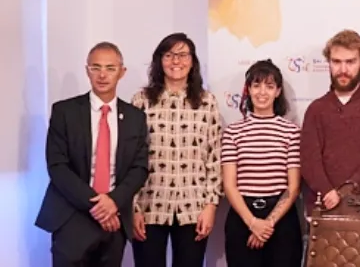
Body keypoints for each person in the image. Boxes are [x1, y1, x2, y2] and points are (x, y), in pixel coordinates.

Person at [35, 42, 149, 267]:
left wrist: (113, 202)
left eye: (110, 68)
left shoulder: (136, 117)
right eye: (96, 68)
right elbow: (57, 166)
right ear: (87, 70)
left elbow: (139, 168)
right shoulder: (64, 111)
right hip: (72, 214)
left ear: (122, 72)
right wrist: (98, 206)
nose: (103, 75)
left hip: (114, 218)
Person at [130, 33, 223, 267]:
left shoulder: (206, 102)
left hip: (193, 206)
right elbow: (129, 158)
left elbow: (214, 156)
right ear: (159, 61)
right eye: (169, 55)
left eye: (182, 55)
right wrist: (133, 207)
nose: (176, 61)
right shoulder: (141, 101)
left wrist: (211, 206)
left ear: (192, 61)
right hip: (149, 205)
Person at [300, 29, 360, 210]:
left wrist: (345, 191)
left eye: (350, 62)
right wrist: (328, 192)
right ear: (328, 63)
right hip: (324, 209)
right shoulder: (316, 109)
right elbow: (309, 160)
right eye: (336, 62)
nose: (343, 70)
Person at [221, 59, 303, 267]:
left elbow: (293, 187)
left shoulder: (291, 132)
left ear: (277, 91)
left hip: (281, 220)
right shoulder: (233, 132)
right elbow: (229, 185)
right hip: (242, 217)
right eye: (256, 85)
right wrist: (253, 222)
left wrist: (267, 224)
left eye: (269, 86)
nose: (262, 92)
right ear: (248, 90)